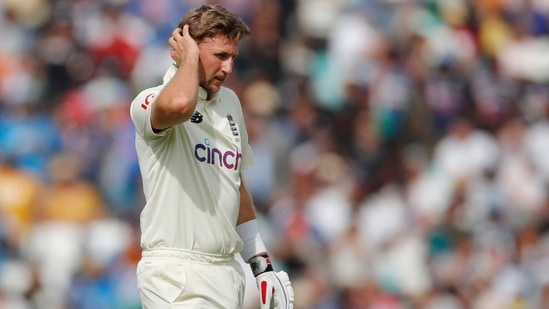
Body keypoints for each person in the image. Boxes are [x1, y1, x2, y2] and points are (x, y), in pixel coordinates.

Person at [129, 4, 294, 309]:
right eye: (220, 56)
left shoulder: (229, 103)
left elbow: (236, 185)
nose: (228, 68)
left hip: (226, 273)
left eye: (233, 57)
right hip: (174, 273)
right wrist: (189, 59)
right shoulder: (149, 100)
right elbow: (180, 104)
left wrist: (261, 267)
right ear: (185, 46)